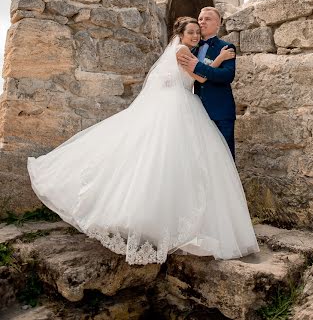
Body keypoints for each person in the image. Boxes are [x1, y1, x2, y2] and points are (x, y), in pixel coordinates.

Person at [27, 17, 259, 265]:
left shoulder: (183, 51)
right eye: (190, 32)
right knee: (163, 157)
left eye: (196, 32)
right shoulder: (181, 51)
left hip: (182, 104)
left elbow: (195, 74)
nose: (195, 35)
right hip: (177, 106)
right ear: (180, 34)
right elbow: (200, 78)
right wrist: (221, 59)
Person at [177, 7, 237, 160]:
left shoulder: (226, 48)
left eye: (208, 19)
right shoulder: (190, 49)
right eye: (200, 19)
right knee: (202, 159)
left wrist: (198, 66)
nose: (202, 22)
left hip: (221, 111)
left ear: (218, 24)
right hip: (198, 112)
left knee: (225, 157)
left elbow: (227, 75)